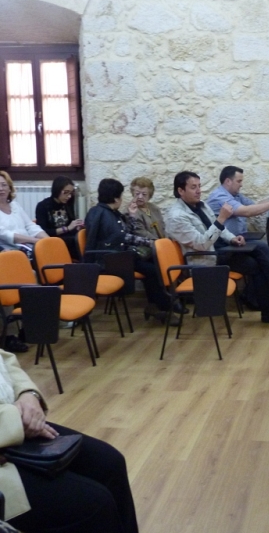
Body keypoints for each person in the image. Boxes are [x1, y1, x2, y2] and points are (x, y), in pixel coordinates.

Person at [0, 349, 138, 532]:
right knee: (94, 504)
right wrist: (14, 416)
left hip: (12, 422)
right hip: (8, 425)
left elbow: (4, 358)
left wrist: (28, 394)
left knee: (111, 463)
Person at [165, 171, 269, 324]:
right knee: (260, 250)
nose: (198, 190)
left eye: (199, 186)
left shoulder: (201, 205)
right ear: (180, 191)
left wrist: (232, 239)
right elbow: (201, 244)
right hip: (204, 259)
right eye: (193, 187)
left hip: (219, 251)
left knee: (258, 261)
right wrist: (222, 218)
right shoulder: (177, 216)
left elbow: (220, 229)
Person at [84, 178, 177, 323]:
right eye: (120, 196)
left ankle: (160, 306)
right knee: (153, 269)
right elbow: (123, 237)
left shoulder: (109, 212)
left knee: (154, 264)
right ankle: (164, 307)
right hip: (111, 260)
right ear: (115, 198)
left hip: (121, 256)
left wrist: (132, 216)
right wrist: (150, 243)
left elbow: (125, 233)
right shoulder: (102, 214)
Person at [0, 171, 48, 353]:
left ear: (9, 187)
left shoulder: (15, 206)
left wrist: (47, 239)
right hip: (6, 254)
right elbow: (5, 235)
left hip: (24, 251)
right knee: (21, 280)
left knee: (38, 274)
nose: (1, 189)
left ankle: (32, 326)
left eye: (4, 185)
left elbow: (31, 226)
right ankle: (11, 334)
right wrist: (35, 241)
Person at [207, 165, 269, 236]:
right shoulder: (219, 197)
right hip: (227, 242)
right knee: (263, 248)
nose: (241, 185)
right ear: (228, 181)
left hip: (240, 237)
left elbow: (255, 207)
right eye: (239, 181)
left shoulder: (236, 195)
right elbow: (247, 212)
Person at [35, 176, 85, 259]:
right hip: (53, 239)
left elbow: (70, 222)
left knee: (85, 236)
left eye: (71, 193)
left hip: (68, 236)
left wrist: (77, 225)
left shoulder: (67, 203)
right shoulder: (43, 206)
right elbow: (43, 231)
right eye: (66, 192)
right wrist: (67, 228)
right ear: (57, 190)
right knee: (76, 243)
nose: (69, 196)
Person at [125, 176, 166, 241]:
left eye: (144, 194)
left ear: (150, 195)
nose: (140, 197)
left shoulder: (154, 208)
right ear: (133, 193)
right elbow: (140, 233)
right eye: (137, 194)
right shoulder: (129, 211)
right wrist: (159, 243)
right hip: (145, 247)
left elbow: (163, 227)